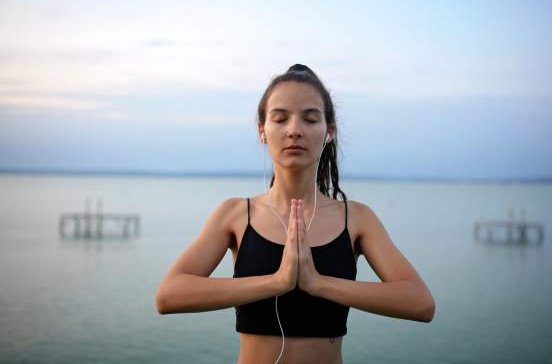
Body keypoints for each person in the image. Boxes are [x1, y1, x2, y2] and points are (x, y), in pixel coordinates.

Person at [155, 64, 435, 364]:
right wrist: (277, 282)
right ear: (262, 130)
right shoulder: (235, 214)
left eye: (310, 119)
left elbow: (420, 304)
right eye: (280, 118)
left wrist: (318, 283)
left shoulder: (356, 219)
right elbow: (169, 295)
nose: (294, 130)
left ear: (329, 132)